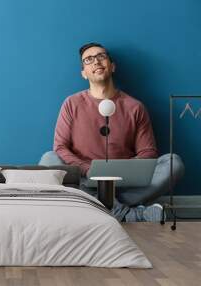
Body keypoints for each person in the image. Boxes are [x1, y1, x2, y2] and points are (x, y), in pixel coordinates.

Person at [44, 42, 163, 222]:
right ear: (84, 73)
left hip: (123, 181)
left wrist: (119, 169)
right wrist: (87, 169)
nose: (96, 62)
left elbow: (148, 152)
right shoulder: (71, 103)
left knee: (173, 163)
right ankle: (127, 213)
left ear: (112, 66)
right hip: (85, 178)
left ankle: (93, 206)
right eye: (89, 60)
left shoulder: (135, 107)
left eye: (101, 56)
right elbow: (60, 147)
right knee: (49, 159)